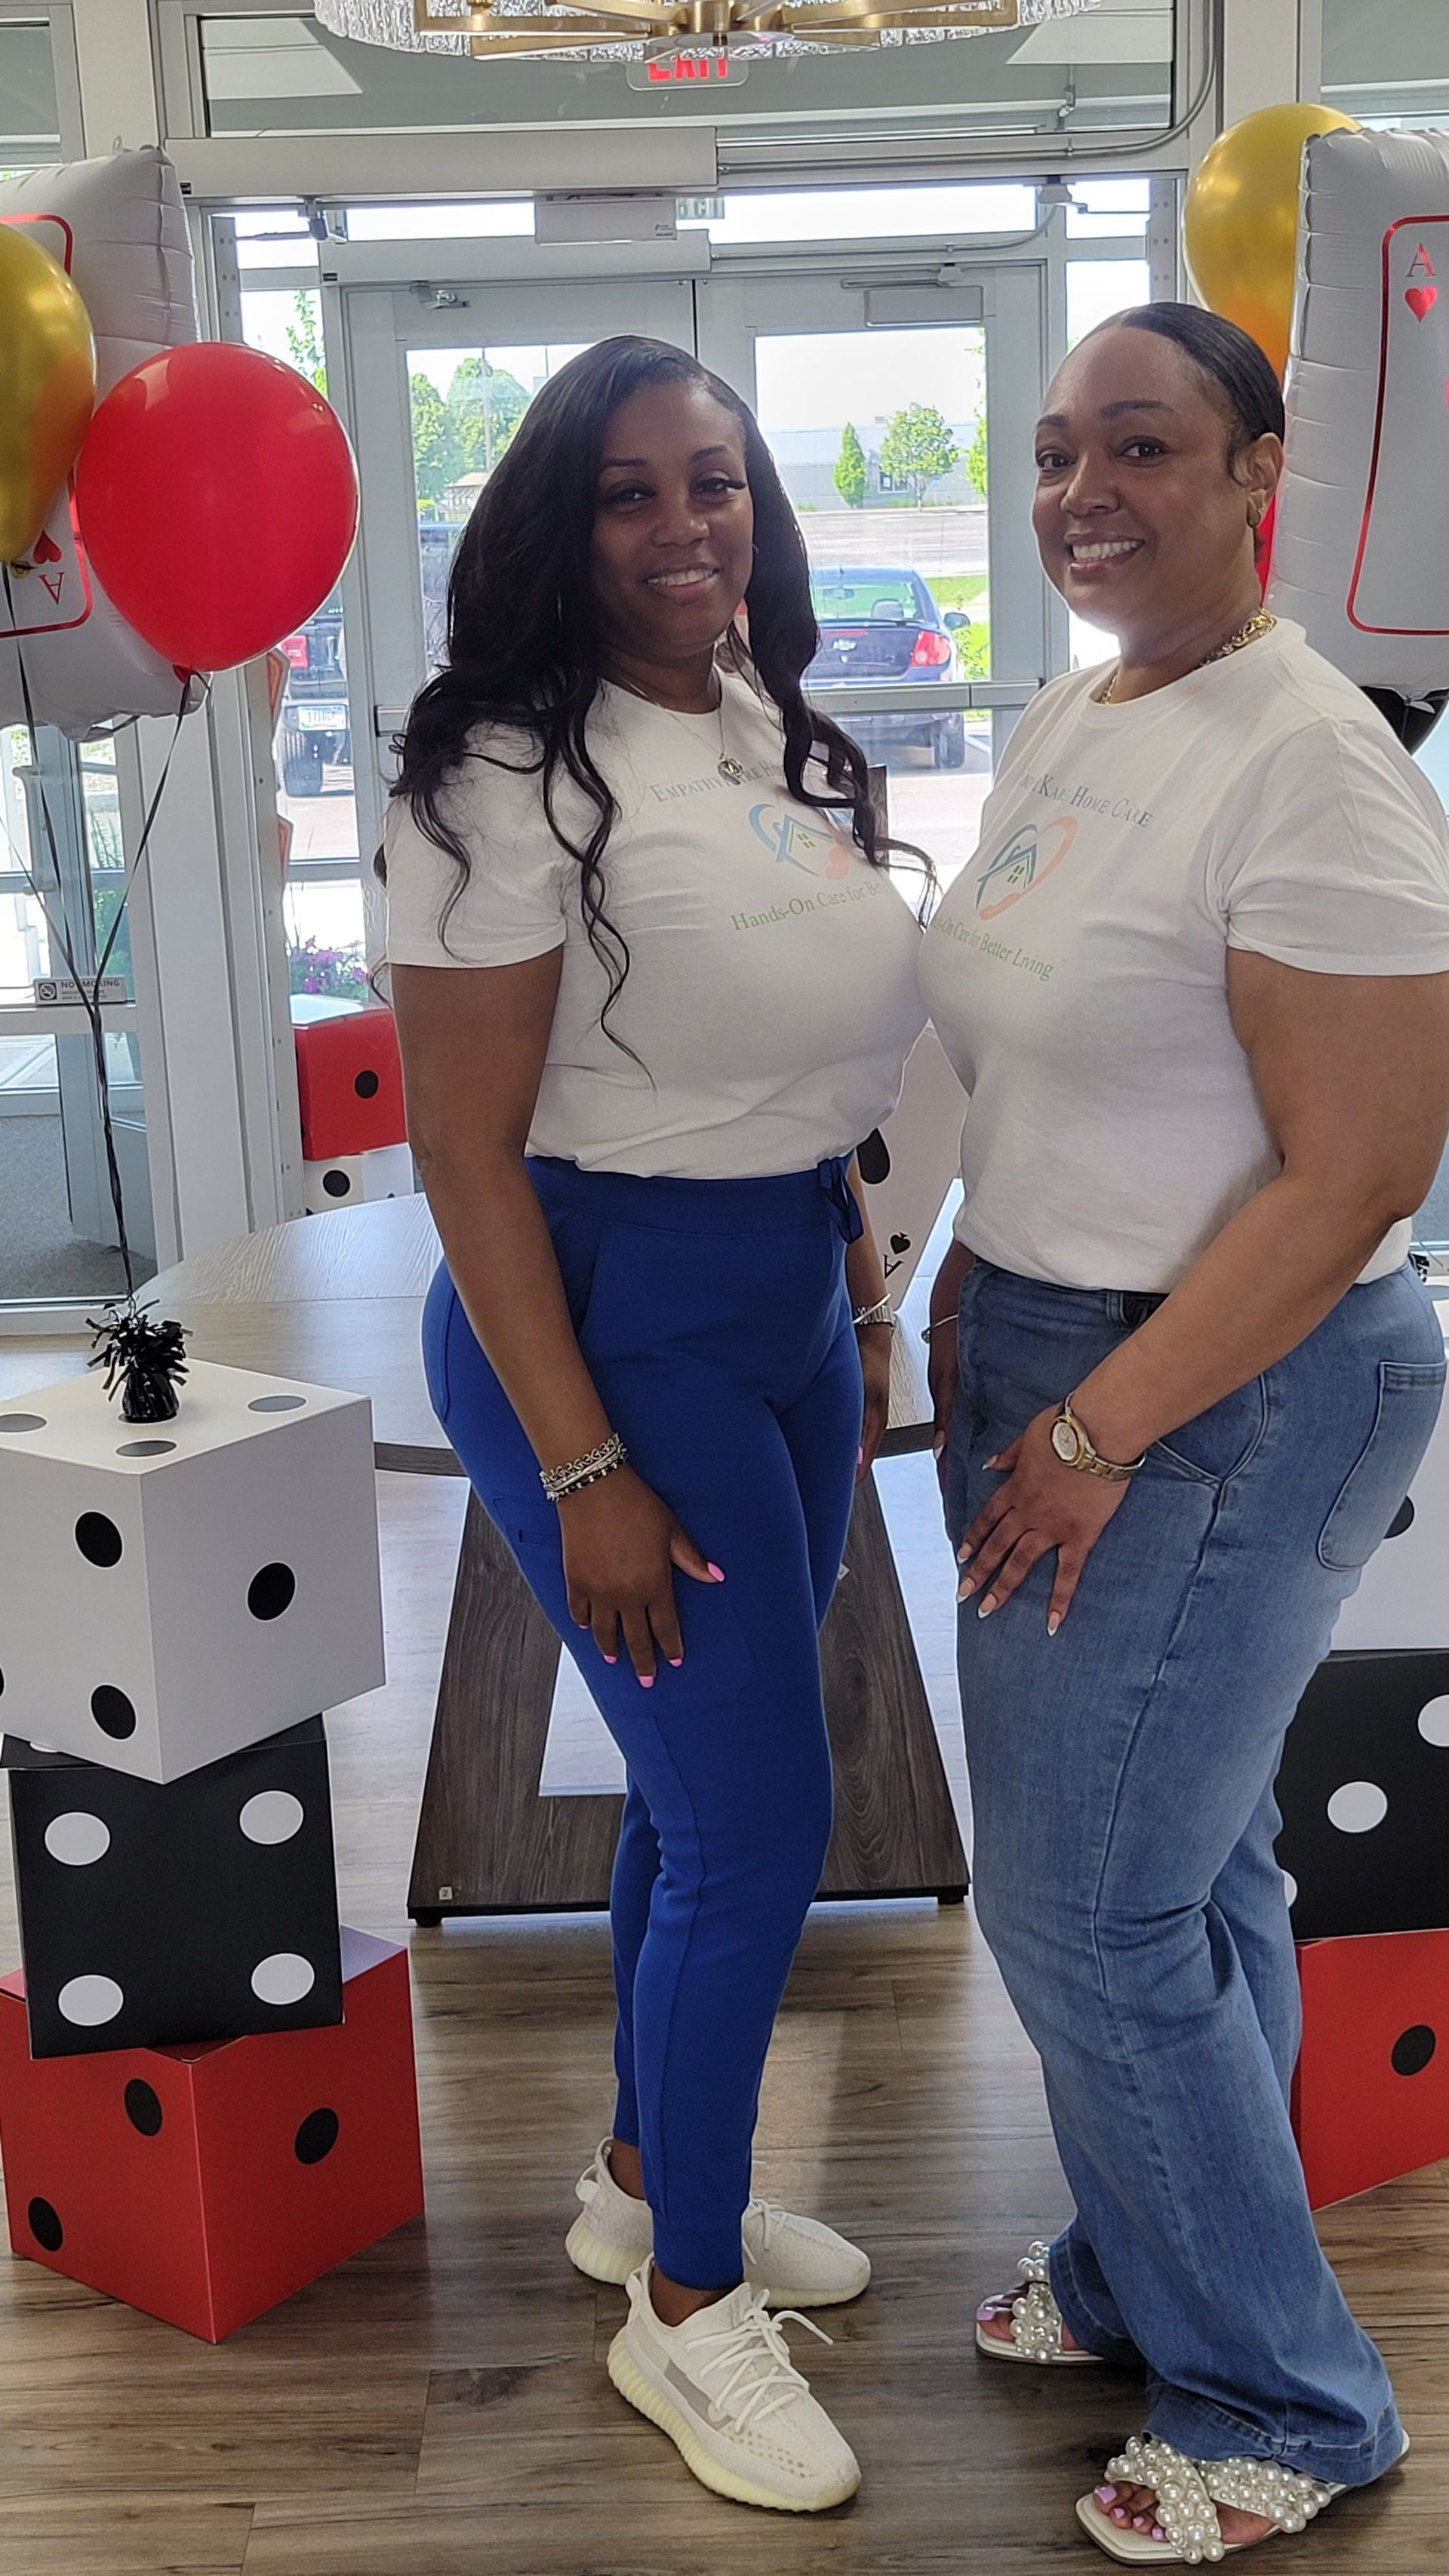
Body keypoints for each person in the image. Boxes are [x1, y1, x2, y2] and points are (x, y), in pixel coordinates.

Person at [920, 303, 1449, 2564]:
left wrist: (1100, 1428)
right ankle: (1151, 2261)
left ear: (1261, 477)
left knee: (1090, 1907)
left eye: (1139, 445)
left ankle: (1284, 2396)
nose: (1082, 494)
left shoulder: (1309, 757)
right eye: (1053, 453)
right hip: (1056, 1346)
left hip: (1210, 1382)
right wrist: (952, 1281)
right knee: (1190, 1862)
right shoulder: (1084, 702)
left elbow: (1355, 1180)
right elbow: (1029, 1047)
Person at [382, 336, 928, 2513]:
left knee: (714, 1807)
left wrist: (863, 1284)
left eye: (717, 479)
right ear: (556, 523)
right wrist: (586, 1459)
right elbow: (465, 1155)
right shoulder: (500, 772)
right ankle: (690, 2311)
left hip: (783, 1294)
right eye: (629, 492)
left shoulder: (771, 729)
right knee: (759, 1829)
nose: (687, 524)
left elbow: (818, 1053)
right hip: (611, 1322)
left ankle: (639, 2174)